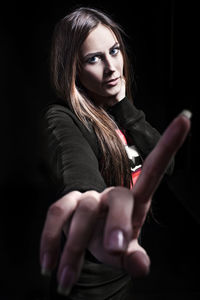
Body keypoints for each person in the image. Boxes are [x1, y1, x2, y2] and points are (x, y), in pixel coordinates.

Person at [39, 6, 191, 299]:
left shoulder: (119, 111)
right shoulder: (62, 118)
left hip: (124, 270)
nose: (111, 67)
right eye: (94, 59)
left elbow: (166, 165)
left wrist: (124, 105)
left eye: (114, 51)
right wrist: (91, 202)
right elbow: (79, 173)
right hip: (87, 288)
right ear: (73, 69)